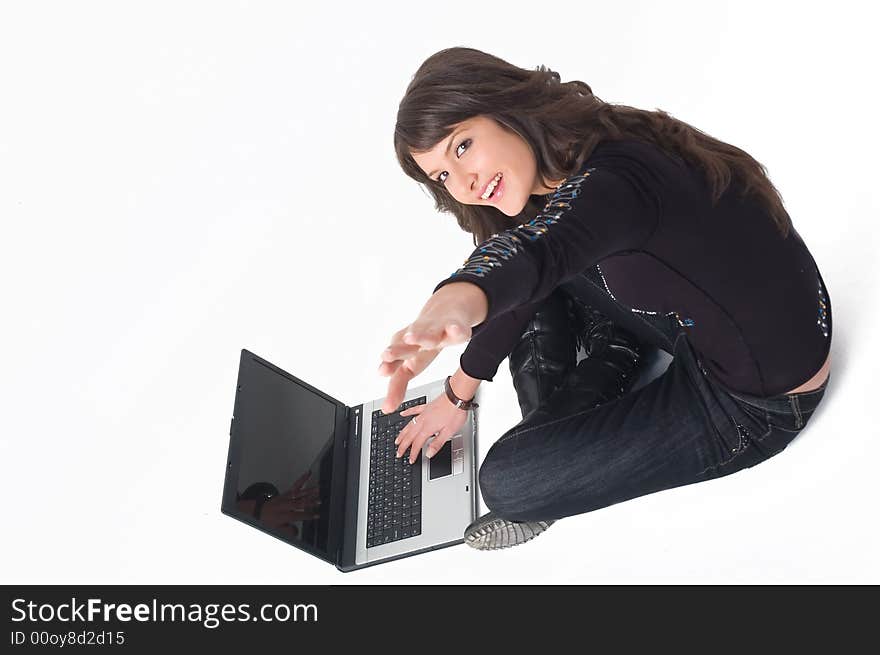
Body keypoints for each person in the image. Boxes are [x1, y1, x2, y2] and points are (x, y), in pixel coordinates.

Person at [377, 47, 832, 551]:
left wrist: (457, 302)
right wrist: (458, 390)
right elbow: (532, 252)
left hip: (759, 401)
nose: (464, 183)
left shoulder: (614, 183)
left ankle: (595, 387)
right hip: (713, 320)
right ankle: (609, 364)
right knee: (529, 268)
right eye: (442, 176)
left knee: (508, 482)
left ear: (504, 108)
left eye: (462, 147)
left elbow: (537, 253)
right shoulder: (586, 145)